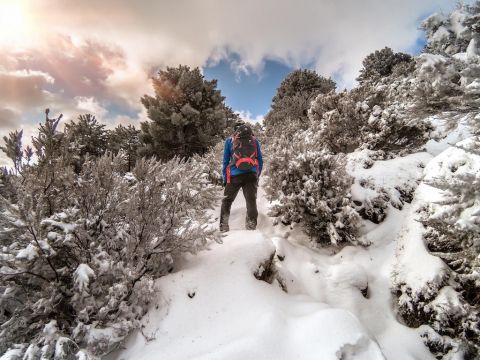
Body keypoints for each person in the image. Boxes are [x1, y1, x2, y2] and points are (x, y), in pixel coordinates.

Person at [219, 120, 263, 232]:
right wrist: (257, 175)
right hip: (251, 175)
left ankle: (224, 228)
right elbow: (260, 160)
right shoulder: (254, 141)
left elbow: (225, 161)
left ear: (236, 131)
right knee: (251, 201)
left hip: (234, 175)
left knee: (227, 201)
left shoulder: (230, 141)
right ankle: (251, 228)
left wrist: (225, 178)